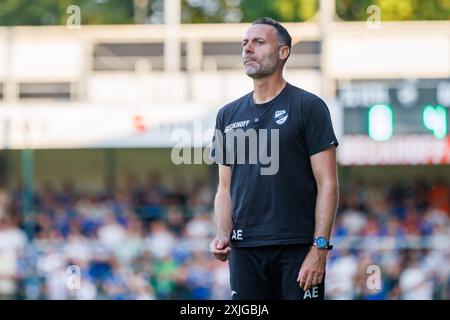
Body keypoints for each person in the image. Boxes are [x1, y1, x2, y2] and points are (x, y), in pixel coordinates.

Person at [209, 17, 339, 300]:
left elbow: (328, 183)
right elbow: (224, 188)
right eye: (245, 43)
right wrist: (223, 233)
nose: (248, 49)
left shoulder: (310, 107)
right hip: (245, 249)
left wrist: (319, 249)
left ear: (283, 52)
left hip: (297, 247)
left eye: (258, 42)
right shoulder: (227, 115)